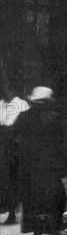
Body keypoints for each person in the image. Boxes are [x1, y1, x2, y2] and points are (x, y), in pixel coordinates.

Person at [13, 87, 67, 235]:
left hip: (30, 165)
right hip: (50, 165)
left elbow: (16, 140)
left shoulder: (24, 117)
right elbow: (61, 143)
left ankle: (36, 228)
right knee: (52, 197)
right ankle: (52, 227)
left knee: (32, 198)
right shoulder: (55, 118)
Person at [0, 79, 30, 224]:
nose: (6, 92)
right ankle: (8, 209)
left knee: (14, 177)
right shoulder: (2, 104)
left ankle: (15, 210)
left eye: (8, 89)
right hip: (3, 145)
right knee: (4, 178)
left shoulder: (21, 104)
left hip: (15, 146)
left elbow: (24, 126)